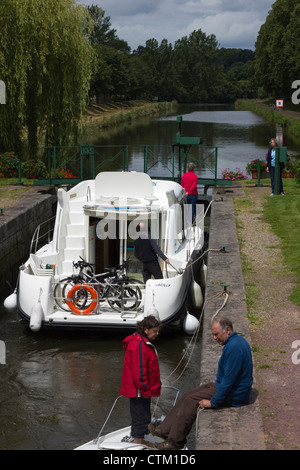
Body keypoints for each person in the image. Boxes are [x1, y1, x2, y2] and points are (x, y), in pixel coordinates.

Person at [148, 317, 253, 450]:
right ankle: (164, 430)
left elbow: (228, 382)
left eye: (216, 334)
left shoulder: (233, 348)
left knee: (190, 401)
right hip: (230, 387)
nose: (214, 338)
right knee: (189, 394)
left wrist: (213, 402)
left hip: (235, 394)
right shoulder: (237, 341)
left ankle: (175, 443)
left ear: (227, 330)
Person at [120, 315, 162, 446]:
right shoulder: (139, 345)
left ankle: (141, 435)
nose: (157, 334)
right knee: (139, 413)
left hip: (142, 388)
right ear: (146, 329)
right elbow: (139, 370)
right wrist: (145, 388)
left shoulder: (141, 342)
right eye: (154, 331)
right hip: (138, 388)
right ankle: (138, 440)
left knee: (143, 413)